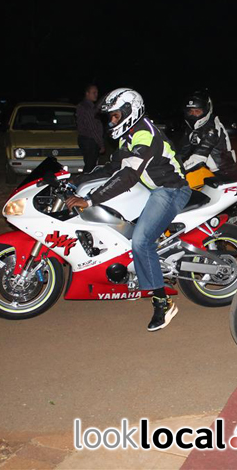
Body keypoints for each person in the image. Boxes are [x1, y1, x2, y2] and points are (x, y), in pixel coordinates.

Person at [65, 88, 191, 331]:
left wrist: (90, 200)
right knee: (122, 224)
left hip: (170, 190)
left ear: (129, 111)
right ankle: (135, 276)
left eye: (115, 116)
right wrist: (78, 179)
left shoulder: (144, 134)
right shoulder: (129, 134)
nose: (112, 121)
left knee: (142, 241)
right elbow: (113, 167)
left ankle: (163, 303)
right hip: (152, 187)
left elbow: (128, 174)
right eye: (111, 117)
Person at [178, 91, 237, 177]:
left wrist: (178, 171)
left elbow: (199, 158)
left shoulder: (212, 129)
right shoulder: (192, 129)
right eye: (190, 111)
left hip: (223, 172)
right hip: (206, 170)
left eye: (197, 111)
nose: (193, 115)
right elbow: (183, 151)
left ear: (207, 109)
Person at [75, 84, 104, 173]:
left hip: (86, 139)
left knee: (90, 165)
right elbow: (92, 128)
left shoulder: (84, 106)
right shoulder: (87, 108)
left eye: (97, 93)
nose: (96, 95)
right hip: (89, 140)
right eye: (93, 93)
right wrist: (101, 144)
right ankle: (85, 180)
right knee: (90, 167)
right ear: (87, 93)